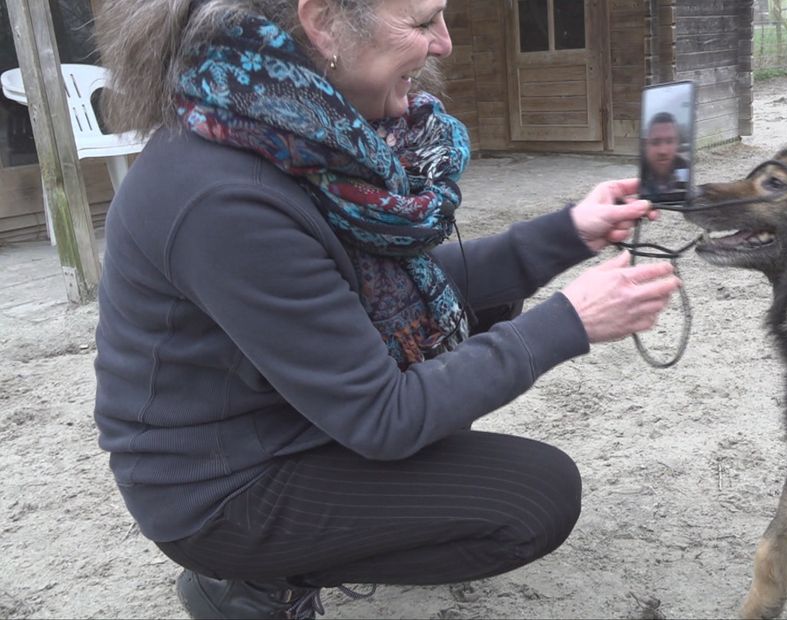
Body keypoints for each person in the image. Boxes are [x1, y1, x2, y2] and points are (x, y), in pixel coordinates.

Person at [91, 1, 681, 619]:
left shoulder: (295, 137)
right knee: (532, 498)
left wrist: (571, 233)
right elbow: (383, 416)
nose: (445, 44)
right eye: (423, 22)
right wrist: (572, 321)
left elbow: (391, 286)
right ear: (323, 24)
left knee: (463, 337)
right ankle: (252, 580)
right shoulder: (225, 196)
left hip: (292, 414)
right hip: (220, 485)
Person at [640, 111, 691, 202]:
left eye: (669, 141)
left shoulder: (686, 168)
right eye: (655, 142)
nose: (663, 151)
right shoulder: (639, 173)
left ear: (677, 144)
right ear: (647, 144)